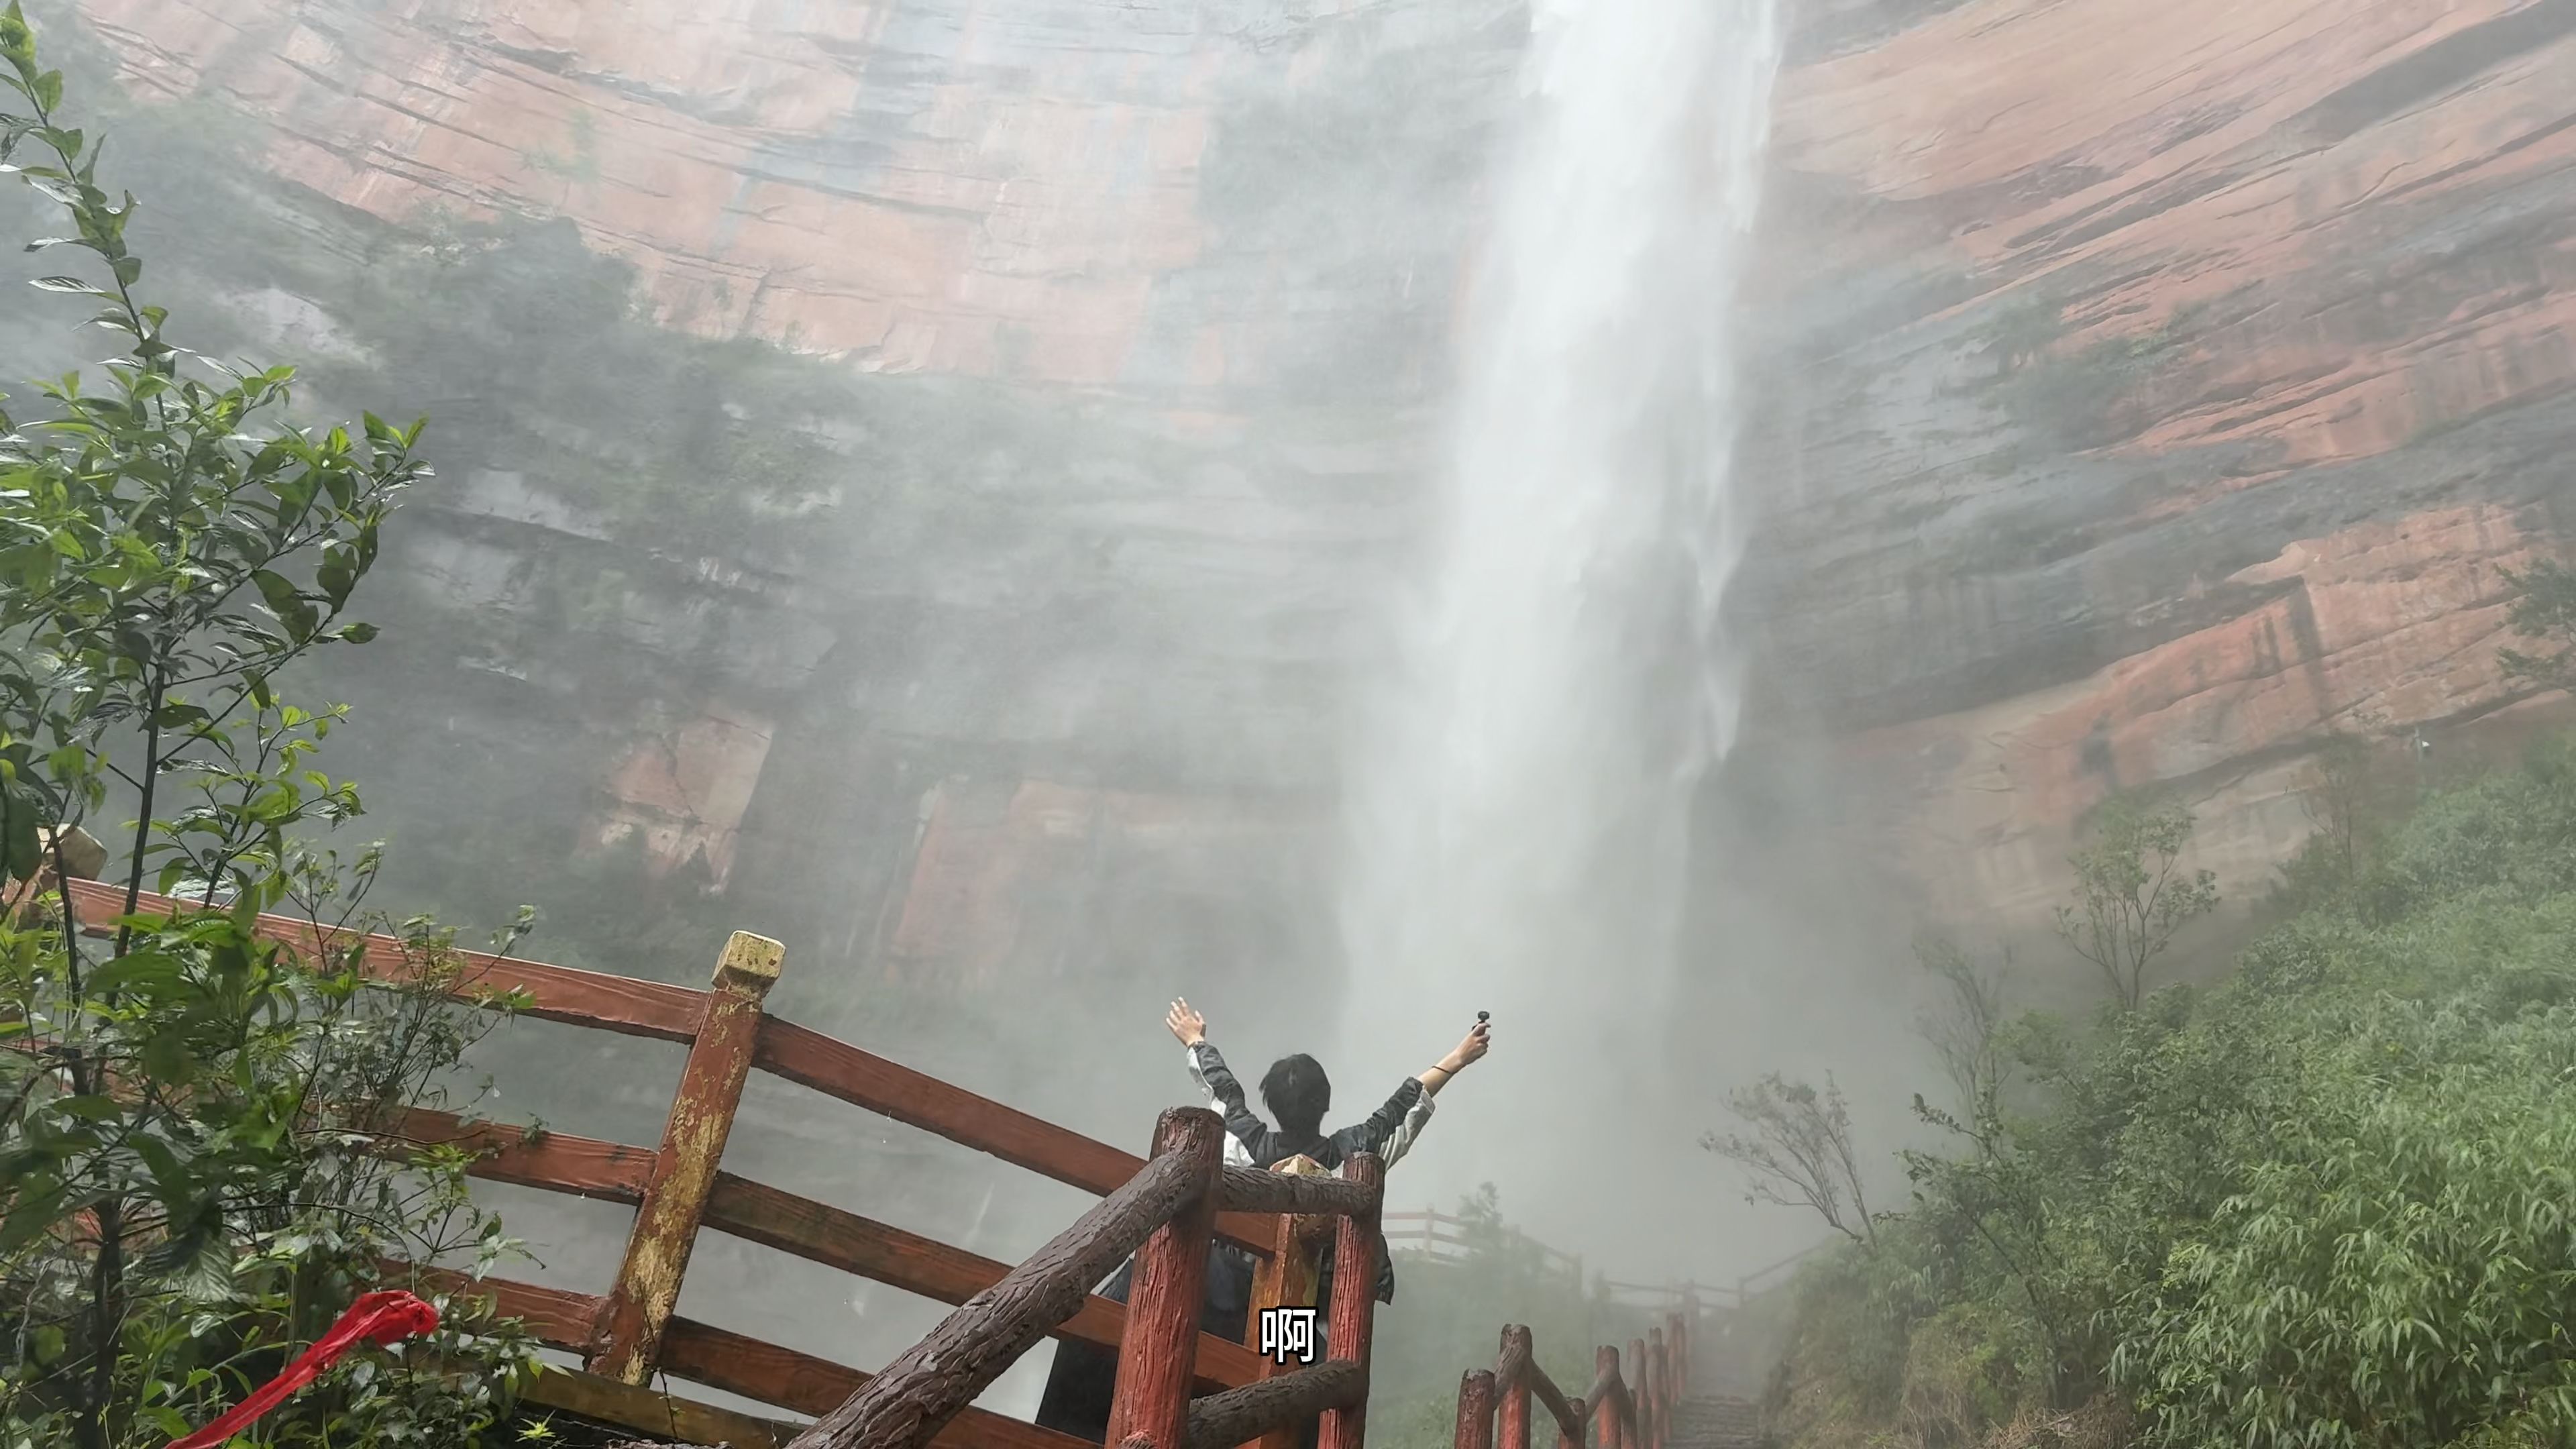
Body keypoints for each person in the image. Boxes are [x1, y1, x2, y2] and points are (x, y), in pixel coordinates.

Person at [1034, 1004, 1491, 1442]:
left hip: (1217, 1298)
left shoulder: (1240, 1140)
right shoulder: (1352, 1157)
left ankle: (1060, 1430)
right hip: (1285, 1318)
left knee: (1124, 1297)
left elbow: (1223, 1090)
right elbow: (1400, 1109)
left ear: (1272, 1102)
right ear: (1324, 1104)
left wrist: (1196, 1039)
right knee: (1293, 1404)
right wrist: (1458, 1057)